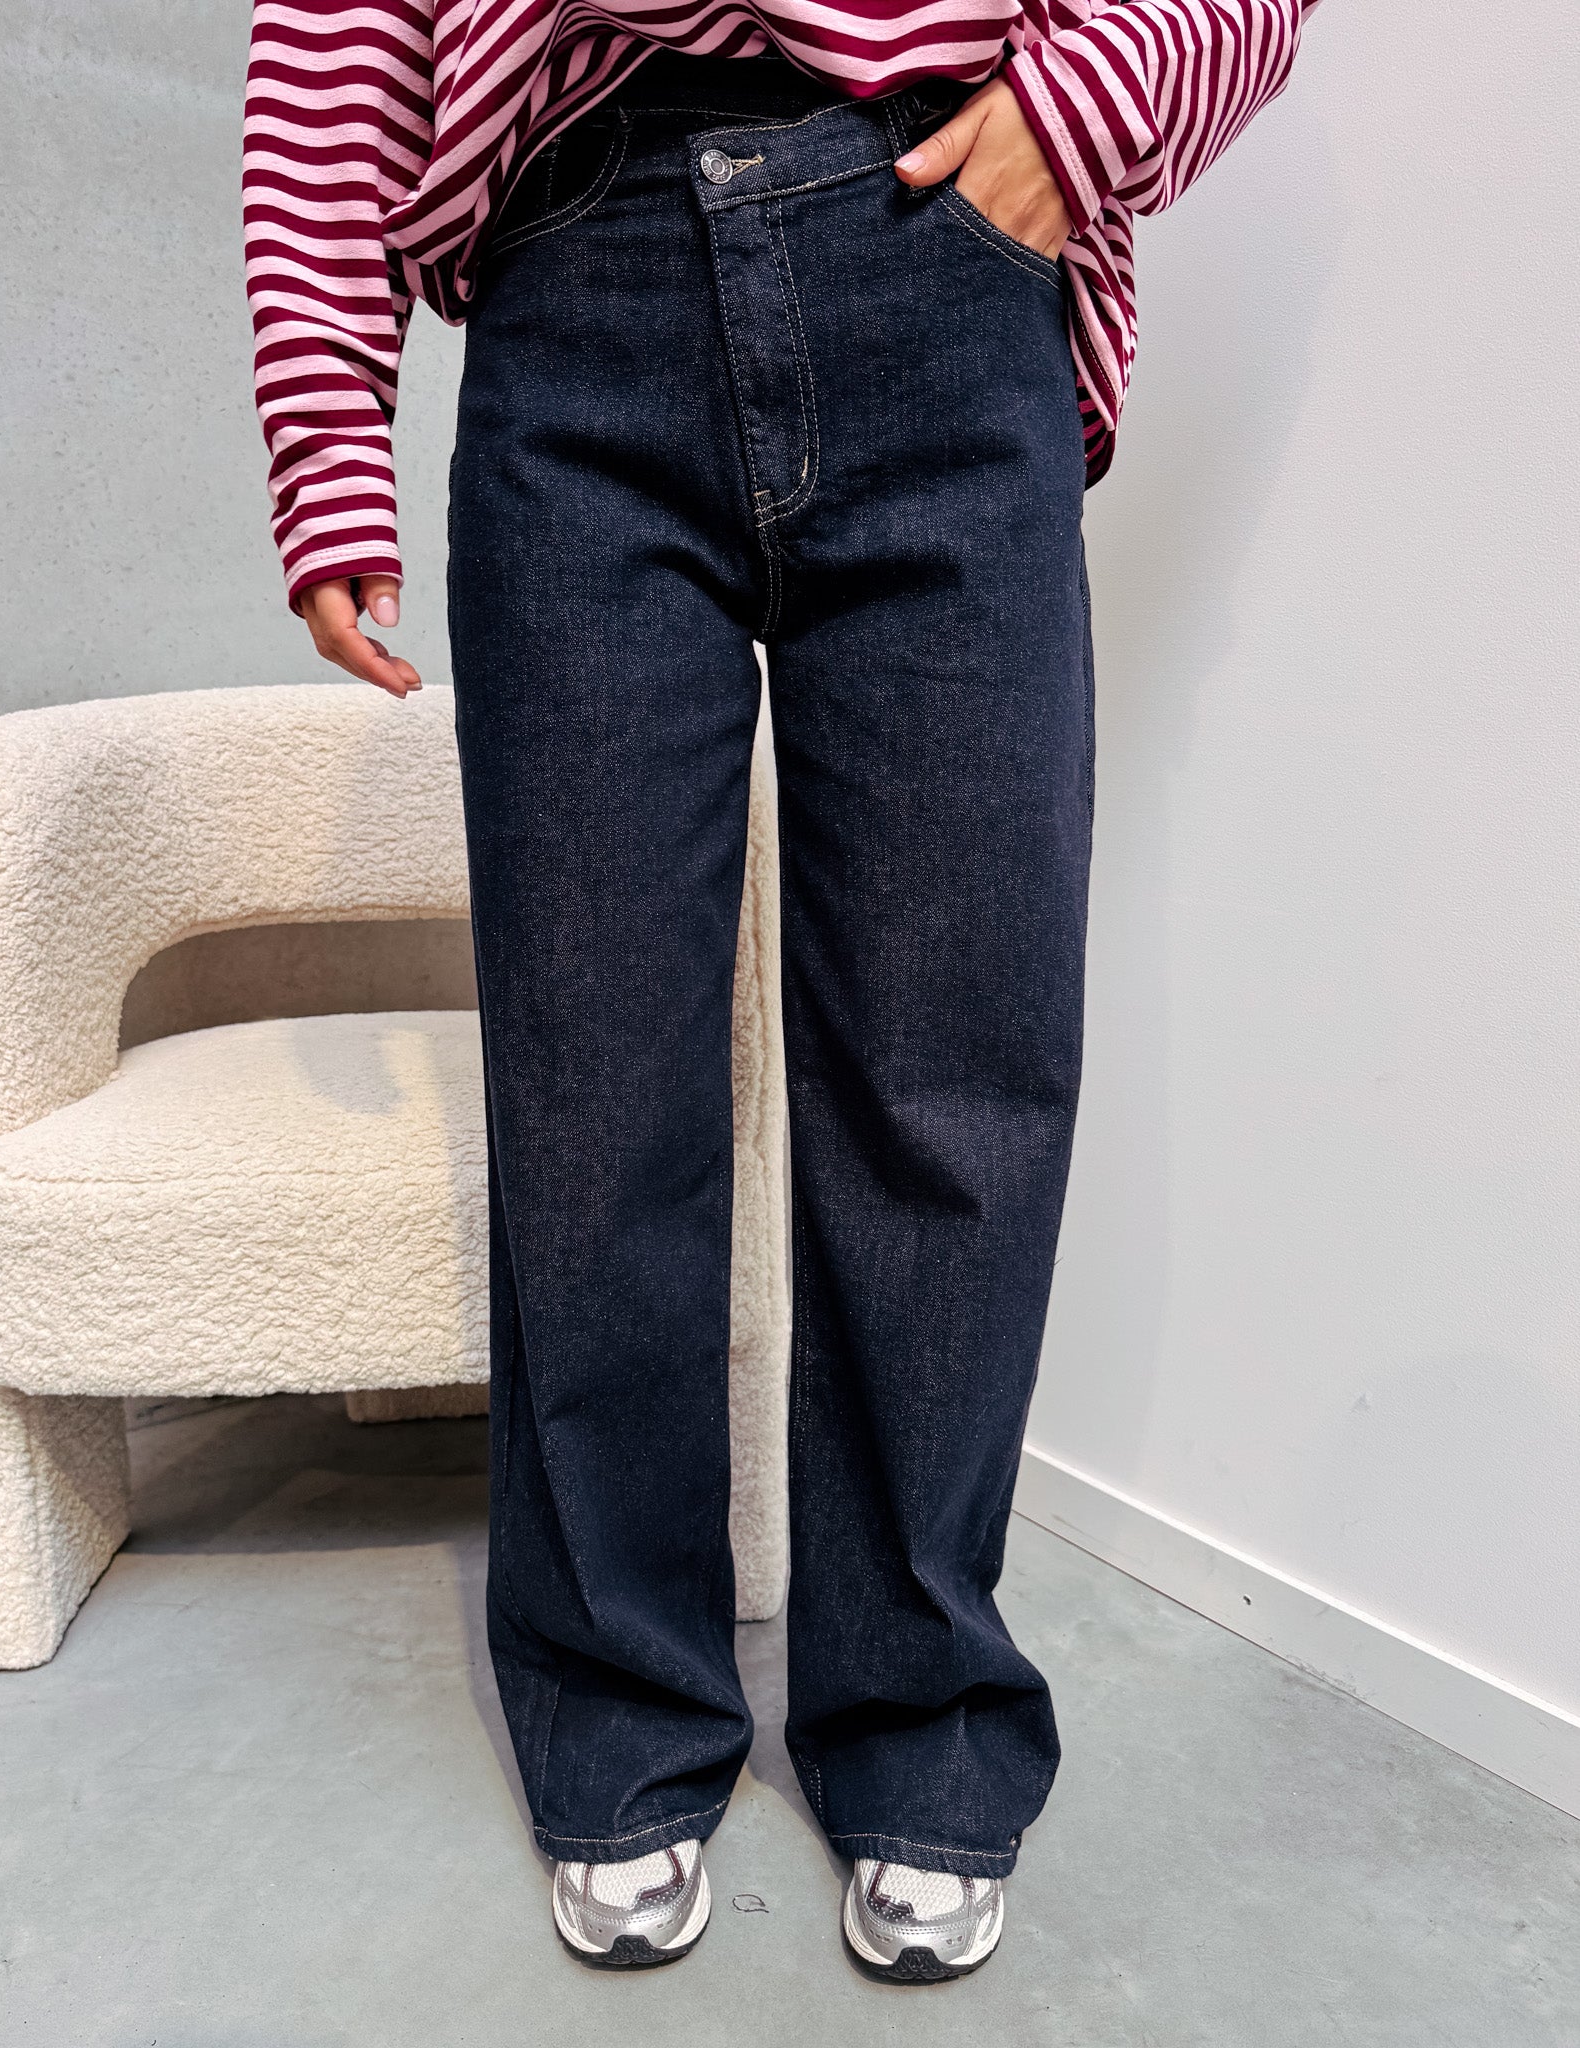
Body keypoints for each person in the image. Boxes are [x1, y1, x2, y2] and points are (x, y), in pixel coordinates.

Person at [244, 0, 1318, 1981]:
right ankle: (620, 1716)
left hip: (944, 243)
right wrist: (328, 421)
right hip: (575, 277)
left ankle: (920, 1724)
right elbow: (334, 28)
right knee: (597, 1083)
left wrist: (1091, 104)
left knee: (952, 1069)